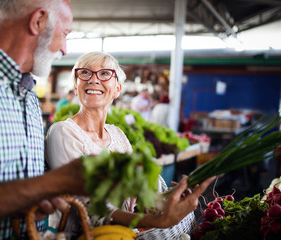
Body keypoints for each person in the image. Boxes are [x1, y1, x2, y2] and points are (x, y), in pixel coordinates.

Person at [0, 1, 88, 239]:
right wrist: (50, 184)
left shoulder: (29, 97)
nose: (64, 49)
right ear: (38, 22)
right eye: (64, 34)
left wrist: (39, 200)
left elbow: (22, 191)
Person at [45, 52, 214, 238]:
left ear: (117, 89)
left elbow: (137, 191)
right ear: (76, 87)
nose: (93, 80)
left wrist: (166, 199)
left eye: (104, 74)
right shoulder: (62, 132)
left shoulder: (118, 135)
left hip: (128, 233)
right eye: (85, 73)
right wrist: (159, 221)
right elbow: (91, 210)